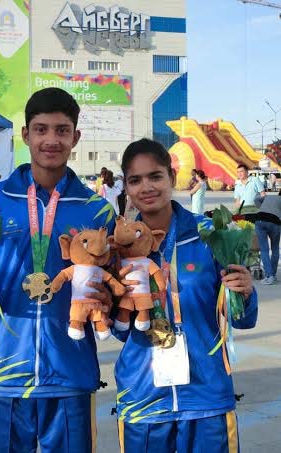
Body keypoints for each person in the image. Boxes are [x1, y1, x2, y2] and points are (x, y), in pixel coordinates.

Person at [0, 88, 115, 453]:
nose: (51, 140)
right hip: (3, 374)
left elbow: (114, 286)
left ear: (76, 136)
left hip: (70, 375)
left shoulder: (97, 211)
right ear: (25, 135)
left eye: (61, 129)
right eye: (41, 129)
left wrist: (109, 301)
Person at [113, 138, 257, 453]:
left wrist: (244, 293)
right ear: (126, 186)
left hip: (206, 392)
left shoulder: (211, 235)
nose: (146, 187)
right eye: (135, 180)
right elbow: (117, 329)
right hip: (143, 394)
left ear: (172, 178)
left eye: (155, 176)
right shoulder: (118, 247)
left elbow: (241, 318)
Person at [254, 191, 281, 285]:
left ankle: (269, 276)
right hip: (275, 223)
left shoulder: (269, 197)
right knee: (275, 249)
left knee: (264, 249)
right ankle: (272, 275)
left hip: (261, 220)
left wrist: (260, 206)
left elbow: (256, 199)